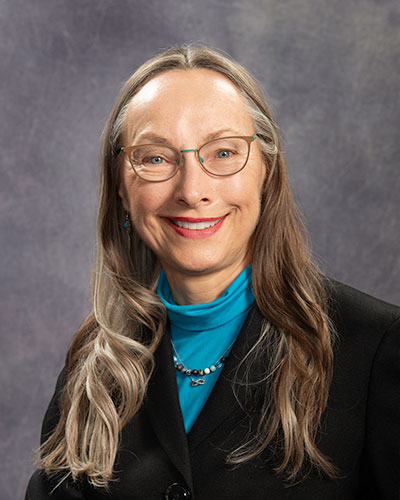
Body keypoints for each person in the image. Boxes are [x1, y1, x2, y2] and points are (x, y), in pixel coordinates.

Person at [25, 44, 399, 500]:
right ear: (121, 188)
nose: (192, 190)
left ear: (267, 171)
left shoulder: (378, 348)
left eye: (223, 152)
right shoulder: (93, 363)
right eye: (156, 157)